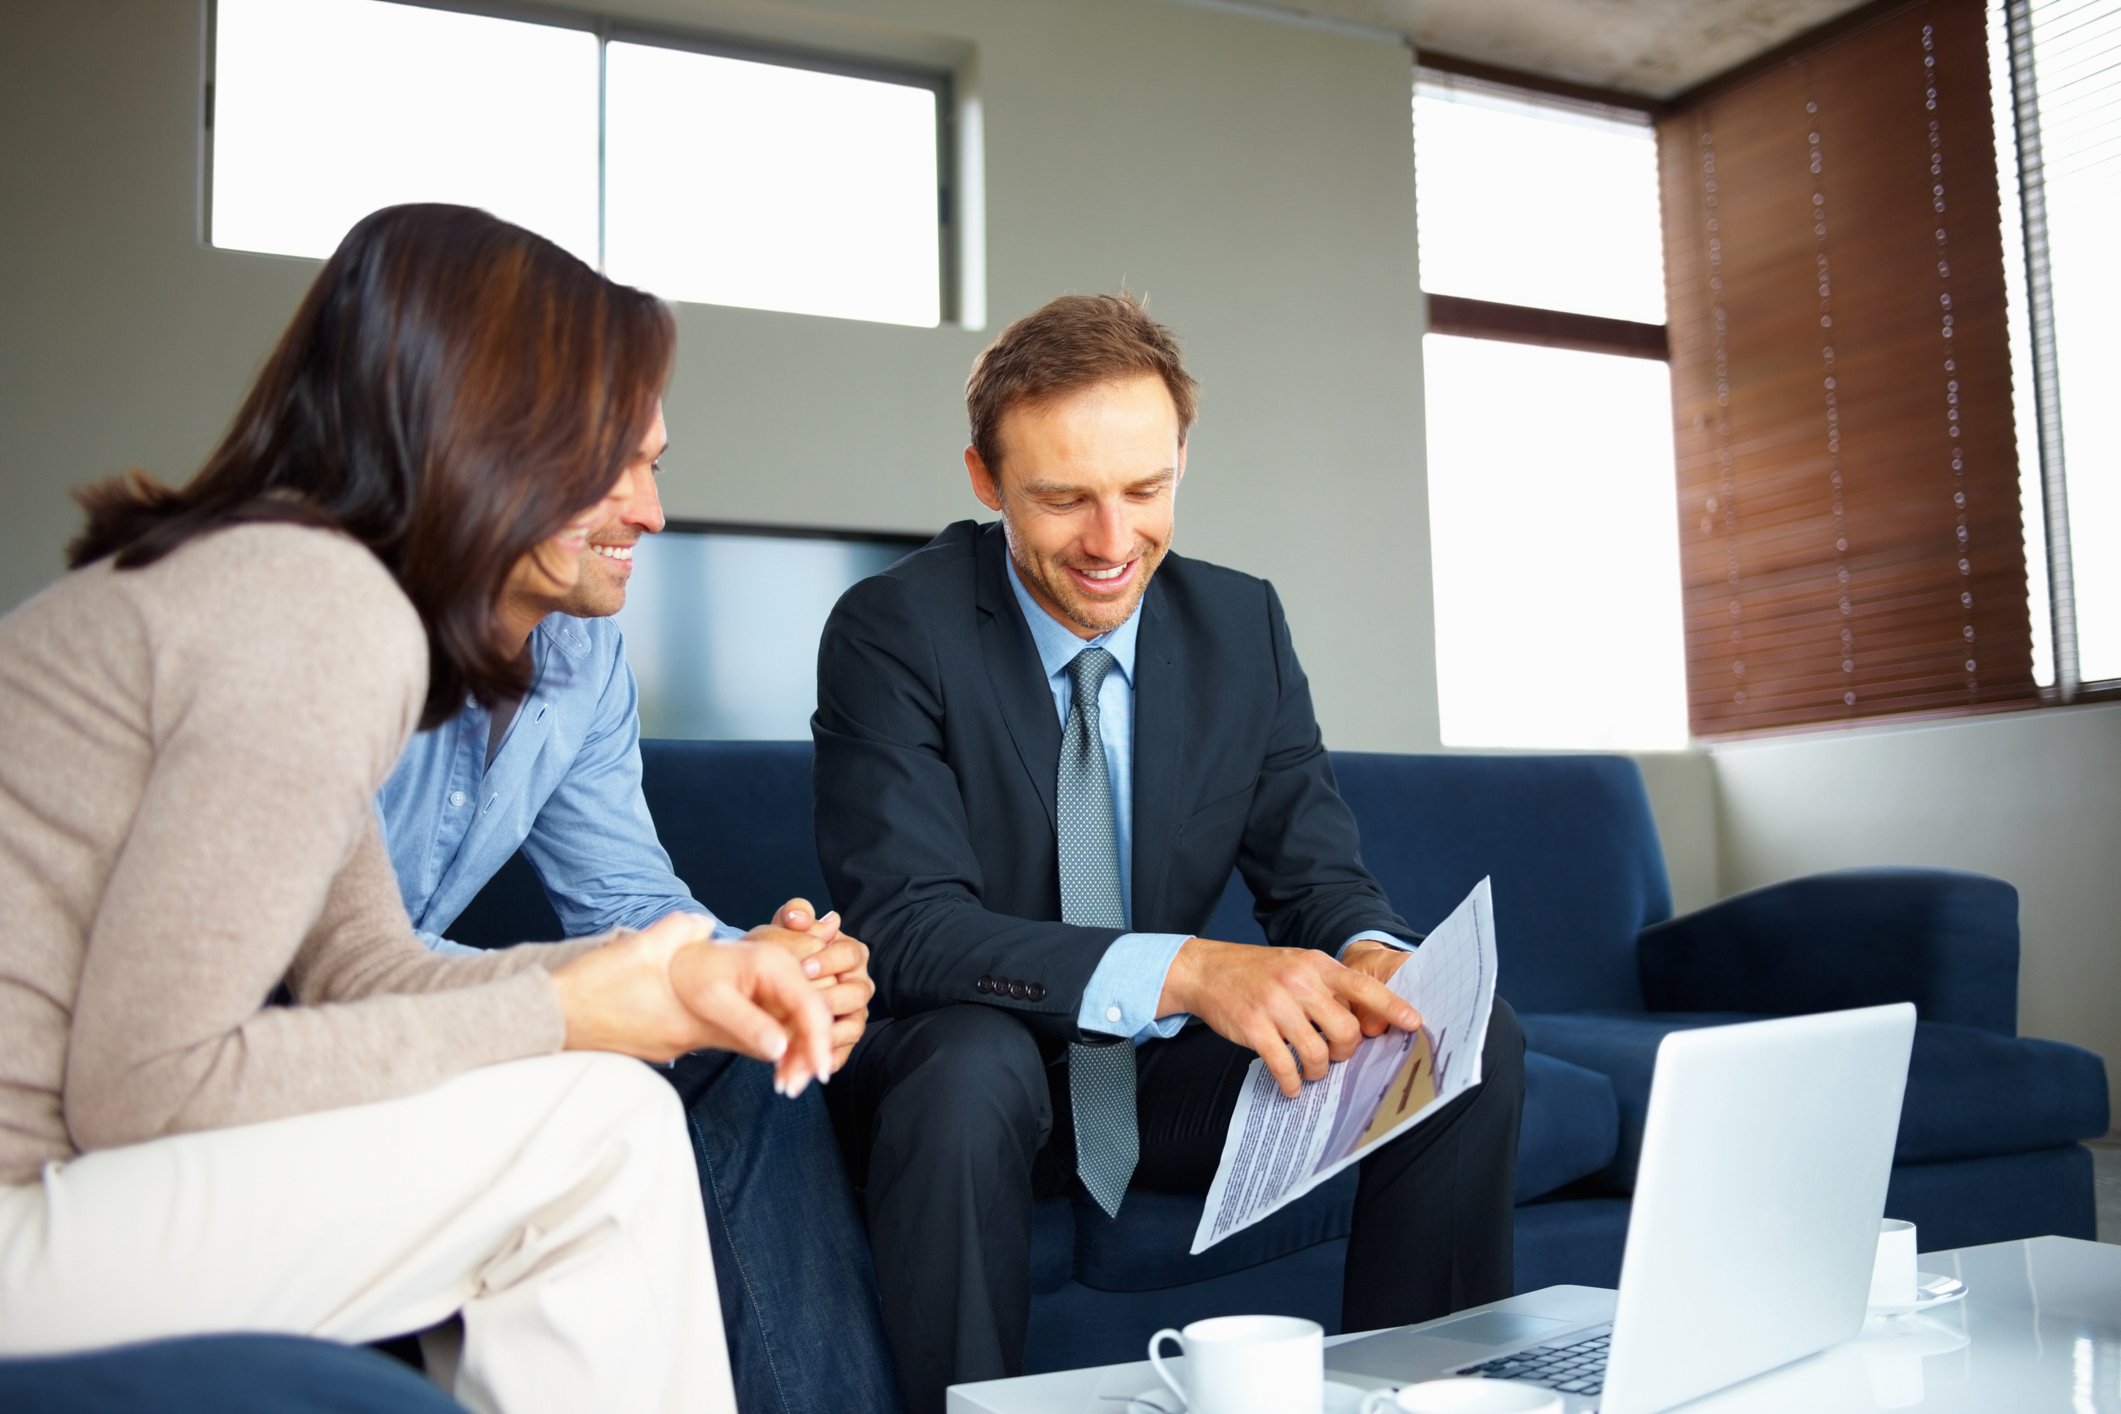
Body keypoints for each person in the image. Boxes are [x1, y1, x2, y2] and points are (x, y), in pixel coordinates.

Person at [0, 203, 836, 1414]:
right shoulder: (321, 612)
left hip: (63, 1192)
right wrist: (564, 1010)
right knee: (603, 1130)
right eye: (613, 458)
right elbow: (149, 1083)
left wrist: (661, 976)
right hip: (31, 1209)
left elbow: (364, 967)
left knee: (606, 1104)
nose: (653, 512)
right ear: (493, 436)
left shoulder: (288, 583)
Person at [812, 293, 1528, 1412]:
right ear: (986, 479)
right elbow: (906, 928)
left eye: (1145, 490)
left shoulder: (1241, 627)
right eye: (1064, 498)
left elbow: (1316, 878)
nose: (1112, 542)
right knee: (971, 1065)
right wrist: (1191, 970)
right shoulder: (892, 629)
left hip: (1144, 1082)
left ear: (1182, 458)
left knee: (1452, 1038)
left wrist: (1372, 953)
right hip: (963, 1070)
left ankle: (1424, 1398)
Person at [374, 396, 901, 1413]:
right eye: (609, 468)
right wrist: (622, 991)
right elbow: (323, 964)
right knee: (622, 1099)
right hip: (302, 1040)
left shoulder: (583, 651)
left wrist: (750, 966)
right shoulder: (351, 635)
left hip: (443, 1017)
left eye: (654, 465)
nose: (653, 512)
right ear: (491, 457)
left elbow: (624, 893)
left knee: (751, 1054)